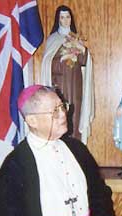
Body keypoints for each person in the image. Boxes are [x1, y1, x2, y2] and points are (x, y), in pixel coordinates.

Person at [0, 85, 116, 216]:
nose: (63, 114)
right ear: (32, 121)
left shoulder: (78, 150)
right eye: (54, 111)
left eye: (62, 106)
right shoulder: (15, 165)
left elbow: (100, 194)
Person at [41, 5, 94, 144]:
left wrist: (83, 50)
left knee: (75, 115)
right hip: (59, 85)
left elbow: (84, 62)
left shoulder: (75, 38)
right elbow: (47, 63)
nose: (65, 20)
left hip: (75, 84)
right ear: (58, 20)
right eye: (62, 17)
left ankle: (75, 146)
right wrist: (62, 60)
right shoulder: (53, 39)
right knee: (60, 114)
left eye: (68, 17)